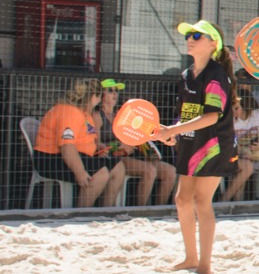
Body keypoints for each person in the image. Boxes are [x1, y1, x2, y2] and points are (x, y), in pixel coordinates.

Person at [151, 20, 238, 273]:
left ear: (213, 44)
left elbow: (211, 117)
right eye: (188, 35)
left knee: (201, 201)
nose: (190, 38)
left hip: (214, 146)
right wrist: (172, 132)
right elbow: (188, 114)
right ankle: (190, 258)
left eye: (197, 35)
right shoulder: (186, 75)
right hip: (191, 143)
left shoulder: (216, 76)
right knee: (182, 199)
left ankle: (205, 265)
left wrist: (173, 131)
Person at [32, 79, 127, 209]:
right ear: (93, 97)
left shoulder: (84, 113)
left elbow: (86, 138)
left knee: (118, 167)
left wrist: (98, 148)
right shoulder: (70, 112)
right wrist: (80, 172)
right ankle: (82, 212)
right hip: (51, 158)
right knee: (100, 173)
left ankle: (106, 211)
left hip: (75, 154)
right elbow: (67, 146)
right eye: (99, 96)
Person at [97, 79, 175, 206]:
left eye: (117, 90)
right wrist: (119, 146)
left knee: (170, 172)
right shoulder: (97, 116)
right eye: (110, 90)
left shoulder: (121, 114)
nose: (115, 94)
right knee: (150, 170)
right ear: (101, 94)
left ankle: (160, 210)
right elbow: (97, 145)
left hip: (134, 154)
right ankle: (142, 209)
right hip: (114, 157)